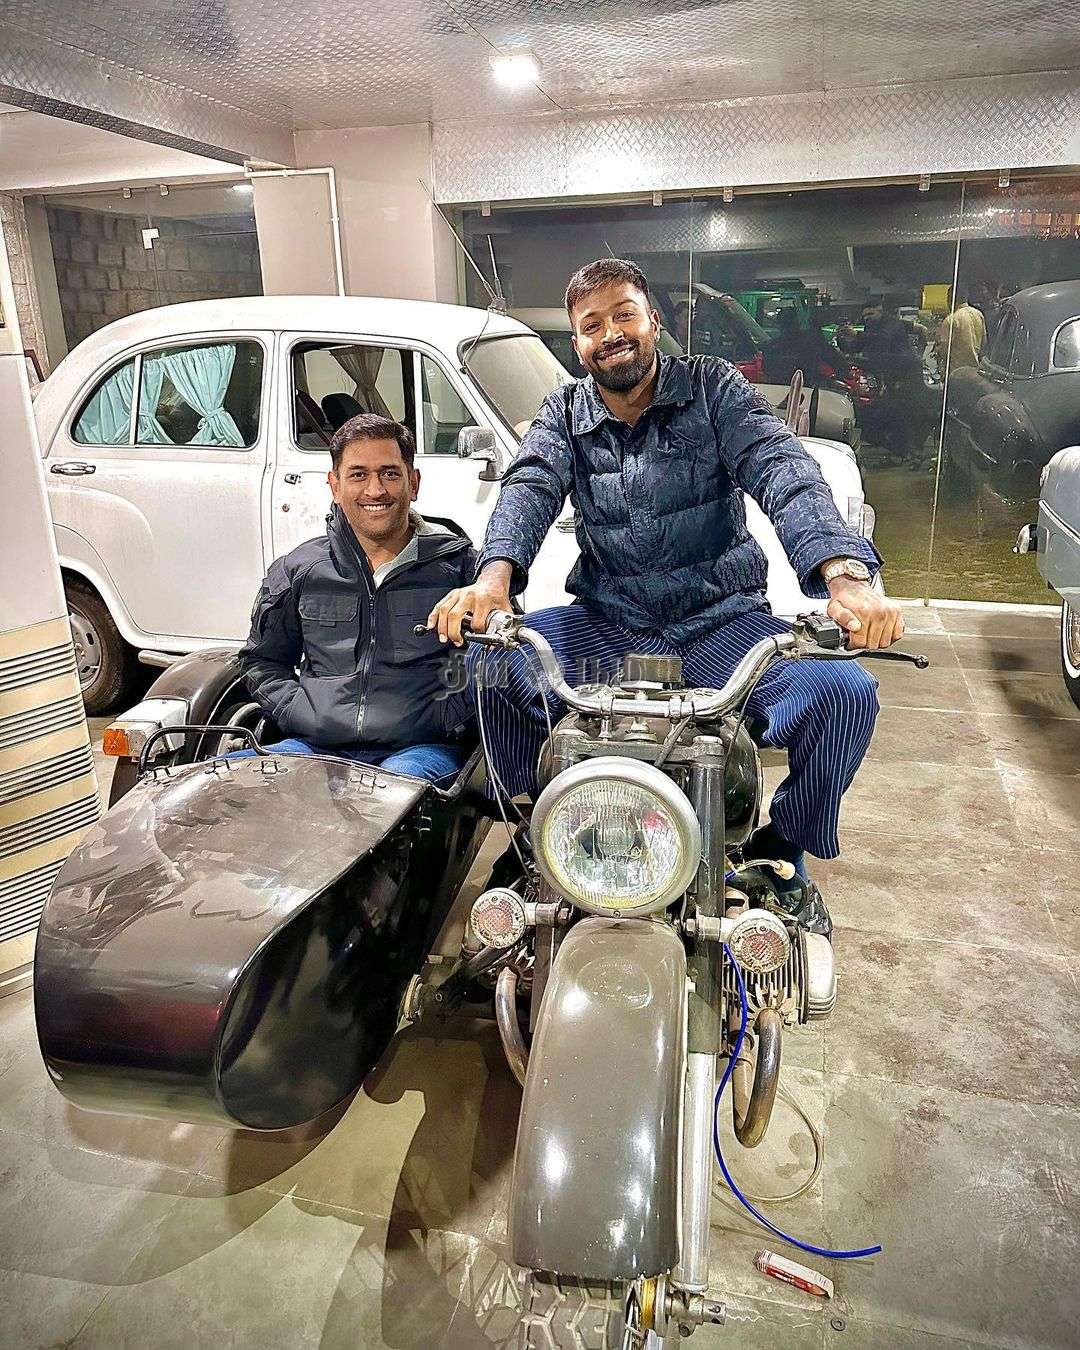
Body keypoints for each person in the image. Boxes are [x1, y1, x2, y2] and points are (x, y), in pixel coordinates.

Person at [430, 257, 905, 934]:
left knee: (844, 695)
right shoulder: (564, 411)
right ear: (578, 343)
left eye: (624, 314)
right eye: (592, 324)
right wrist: (492, 580)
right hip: (609, 624)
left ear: (653, 320)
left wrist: (845, 578)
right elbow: (529, 486)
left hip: (719, 626)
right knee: (488, 668)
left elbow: (783, 469)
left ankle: (782, 853)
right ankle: (536, 827)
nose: (611, 333)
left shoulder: (713, 389)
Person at [236, 412, 476, 783]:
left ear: (413, 482)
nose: (375, 490)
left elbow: (498, 662)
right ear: (335, 485)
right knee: (234, 787)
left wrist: (448, 717)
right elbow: (261, 661)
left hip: (418, 752)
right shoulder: (299, 569)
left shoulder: (461, 569)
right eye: (358, 475)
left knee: (387, 799)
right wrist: (299, 712)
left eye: (390, 473)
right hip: (312, 747)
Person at [934, 289, 986, 372]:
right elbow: (984, 343)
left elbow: (944, 349)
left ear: (951, 299)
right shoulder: (978, 314)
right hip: (976, 370)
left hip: (957, 371)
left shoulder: (951, 320)